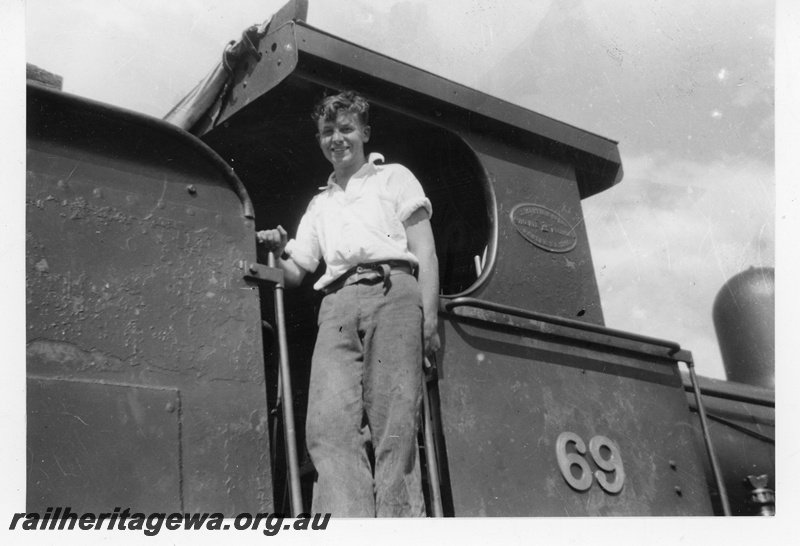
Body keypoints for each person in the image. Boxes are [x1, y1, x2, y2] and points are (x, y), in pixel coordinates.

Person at [257, 90, 440, 517]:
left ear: (364, 133)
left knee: (394, 428)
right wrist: (276, 249)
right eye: (327, 131)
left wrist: (428, 321)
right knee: (328, 429)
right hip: (337, 306)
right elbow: (295, 273)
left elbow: (425, 252)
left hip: (394, 292)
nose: (337, 138)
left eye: (346, 129)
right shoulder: (319, 204)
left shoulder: (393, 177)